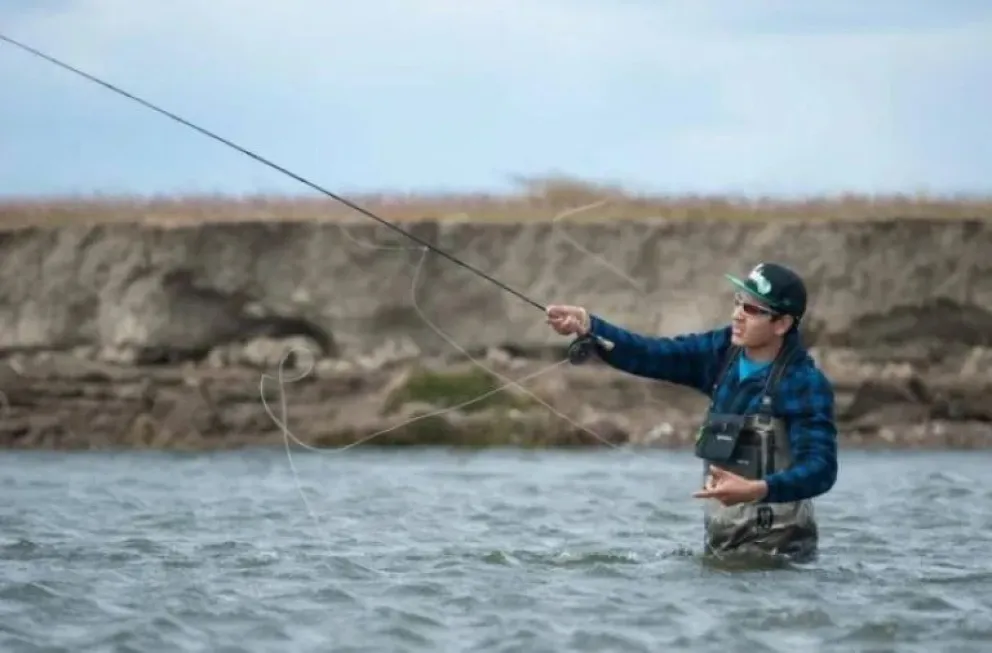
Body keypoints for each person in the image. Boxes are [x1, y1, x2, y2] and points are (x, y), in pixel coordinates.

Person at [545, 262, 838, 561]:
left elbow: (821, 469)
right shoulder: (721, 352)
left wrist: (759, 489)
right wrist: (591, 327)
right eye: (738, 302)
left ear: (782, 324)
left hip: (784, 556)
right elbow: (652, 354)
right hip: (722, 548)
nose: (737, 314)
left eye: (751, 309)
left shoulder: (804, 384)